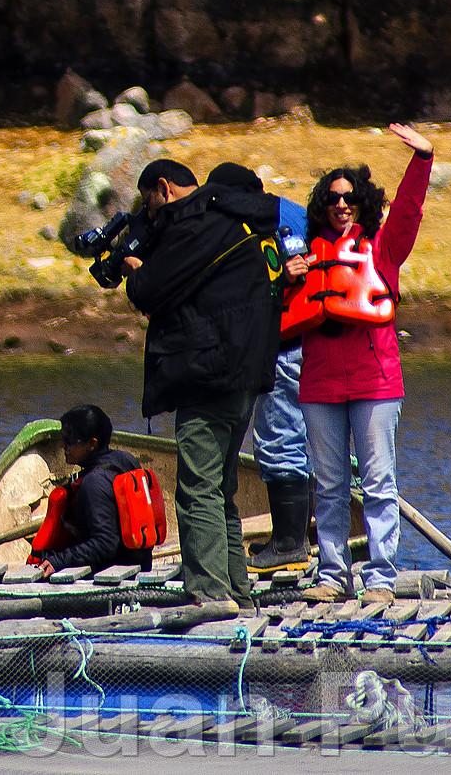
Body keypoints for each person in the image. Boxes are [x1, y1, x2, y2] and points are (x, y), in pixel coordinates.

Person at [120, 159, 281, 608]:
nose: (151, 214)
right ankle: (236, 592)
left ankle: (209, 593)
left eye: (150, 202)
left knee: (197, 490)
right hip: (247, 373)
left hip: (210, 374)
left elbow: (149, 290)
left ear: (165, 188)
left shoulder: (198, 223)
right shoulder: (246, 223)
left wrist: (134, 269)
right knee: (220, 488)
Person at [287, 124, 434, 607]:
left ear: (362, 202)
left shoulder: (384, 248)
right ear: (322, 205)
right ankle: (332, 575)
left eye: (349, 197)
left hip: (376, 383)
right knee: (328, 485)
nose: (341, 204)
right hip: (320, 385)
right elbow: (278, 310)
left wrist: (422, 159)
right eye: (332, 198)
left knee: (378, 483)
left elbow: (408, 211)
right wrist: (283, 278)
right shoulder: (305, 256)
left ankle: (381, 580)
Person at [208, 162, 314, 571]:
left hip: (282, 344)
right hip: (309, 342)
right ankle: (297, 539)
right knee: (300, 441)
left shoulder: (250, 221)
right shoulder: (295, 212)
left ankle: (289, 544)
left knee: (279, 439)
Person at [28, 404, 156, 575]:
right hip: (140, 563)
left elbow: (105, 544)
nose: (62, 445)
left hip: (115, 573)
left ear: (92, 443)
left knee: (44, 560)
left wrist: (59, 561)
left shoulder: (94, 482)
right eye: (63, 438)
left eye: (69, 441)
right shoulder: (126, 460)